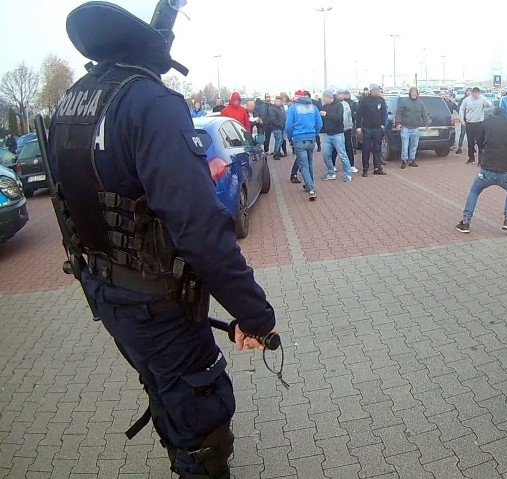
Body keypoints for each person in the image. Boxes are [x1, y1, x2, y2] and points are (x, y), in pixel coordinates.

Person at [48, 2, 279, 477]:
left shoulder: (72, 103)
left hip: (106, 291)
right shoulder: (150, 102)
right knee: (202, 419)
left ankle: (179, 456)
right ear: (151, 57)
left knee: (165, 395)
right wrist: (255, 314)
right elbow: (199, 228)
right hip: (158, 307)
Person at [455, 106, 507, 234]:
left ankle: (465, 222)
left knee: (475, 191)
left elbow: (479, 142)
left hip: (487, 169)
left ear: (494, 114)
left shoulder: (487, 122)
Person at [286, 91, 323, 200]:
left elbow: (288, 126)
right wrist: (314, 133)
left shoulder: (293, 109)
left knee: (304, 165)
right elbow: (319, 124)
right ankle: (309, 185)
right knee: (310, 163)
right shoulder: (313, 108)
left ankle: (311, 189)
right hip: (311, 139)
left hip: (298, 139)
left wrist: (290, 138)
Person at [319, 90, 356, 183]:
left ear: (329, 97)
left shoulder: (339, 105)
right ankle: (331, 172)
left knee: (342, 154)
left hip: (338, 134)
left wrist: (327, 115)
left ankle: (348, 173)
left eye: (324, 98)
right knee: (325, 154)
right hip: (327, 134)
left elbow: (339, 119)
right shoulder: (324, 106)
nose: (323, 99)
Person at [356, 84, 388, 177]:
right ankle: (365, 169)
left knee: (377, 149)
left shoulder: (381, 100)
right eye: (377, 91)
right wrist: (358, 126)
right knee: (366, 149)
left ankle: (377, 168)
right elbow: (359, 114)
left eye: (379, 91)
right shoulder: (364, 100)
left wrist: (382, 125)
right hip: (367, 128)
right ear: (372, 91)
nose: (378, 92)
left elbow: (384, 113)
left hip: (377, 128)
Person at [395, 87, 432, 169]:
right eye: (412, 92)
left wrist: (427, 124)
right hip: (405, 128)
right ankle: (404, 160)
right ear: (410, 93)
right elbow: (398, 113)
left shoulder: (421, 103)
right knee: (405, 146)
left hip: (415, 128)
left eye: (415, 92)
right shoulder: (404, 102)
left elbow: (424, 114)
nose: (414, 94)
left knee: (414, 146)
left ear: (417, 94)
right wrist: (398, 123)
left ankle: (412, 160)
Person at [458, 87, 492, 164]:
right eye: (475, 94)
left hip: (479, 123)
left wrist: (486, 102)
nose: (476, 95)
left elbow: (489, 105)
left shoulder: (482, 98)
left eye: (478, 94)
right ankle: (471, 158)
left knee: (480, 142)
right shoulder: (467, 100)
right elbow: (462, 109)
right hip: (469, 123)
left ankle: (481, 160)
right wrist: (462, 120)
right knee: (470, 142)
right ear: (472, 93)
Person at [330, 90, 358, 173]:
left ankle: (351, 165)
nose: (342, 96)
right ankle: (333, 165)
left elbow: (349, 116)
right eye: (340, 94)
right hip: (336, 130)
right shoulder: (332, 105)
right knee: (335, 148)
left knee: (349, 147)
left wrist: (350, 126)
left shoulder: (346, 104)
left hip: (346, 129)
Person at [455, 88, 472, 154]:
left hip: (472, 120)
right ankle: (460, 147)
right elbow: (460, 109)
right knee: (462, 133)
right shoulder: (462, 100)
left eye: (470, 92)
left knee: (472, 135)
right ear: (466, 92)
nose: (469, 93)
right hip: (465, 119)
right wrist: (462, 119)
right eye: (468, 92)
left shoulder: (474, 100)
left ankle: (471, 148)